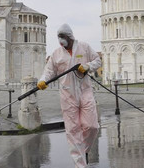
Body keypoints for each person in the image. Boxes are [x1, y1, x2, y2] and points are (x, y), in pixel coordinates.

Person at [37, 23, 101, 168]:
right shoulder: (56, 54)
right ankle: (80, 165)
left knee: (92, 126)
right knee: (73, 130)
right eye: (58, 37)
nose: (61, 40)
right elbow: (49, 71)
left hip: (85, 91)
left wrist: (87, 66)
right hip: (67, 95)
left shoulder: (84, 47)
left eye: (63, 37)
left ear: (70, 36)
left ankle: (83, 150)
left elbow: (98, 61)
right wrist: (42, 81)